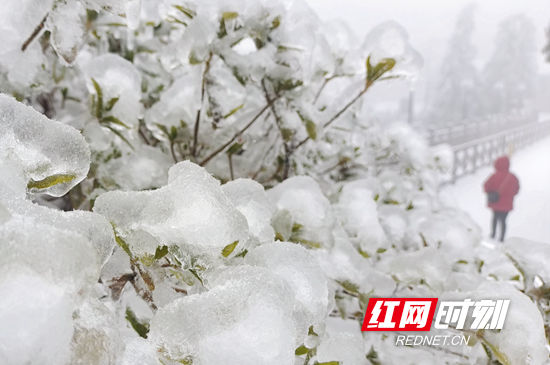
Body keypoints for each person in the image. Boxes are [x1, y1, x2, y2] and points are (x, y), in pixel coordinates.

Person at [483, 156, 520, 242]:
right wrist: (510, 195)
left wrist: (490, 192)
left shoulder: (494, 176)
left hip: (495, 203)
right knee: (503, 220)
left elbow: (486, 186)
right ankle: (502, 237)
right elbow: (516, 189)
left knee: (495, 217)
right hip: (507, 204)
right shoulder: (512, 177)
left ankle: (493, 234)